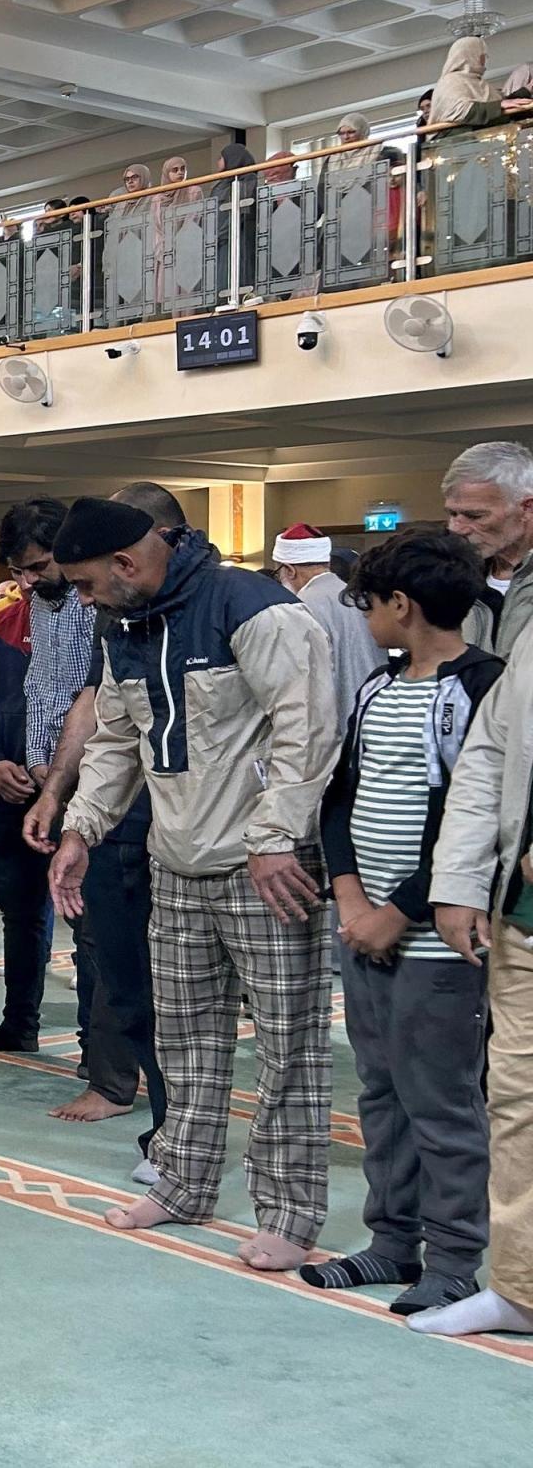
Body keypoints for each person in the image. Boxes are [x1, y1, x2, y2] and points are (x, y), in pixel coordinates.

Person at [48, 496, 338, 1271]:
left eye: (84, 583)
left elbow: (307, 728)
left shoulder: (258, 611)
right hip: (176, 866)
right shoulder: (124, 627)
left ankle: (289, 1209)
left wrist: (276, 837)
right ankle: (181, 1182)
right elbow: (115, 738)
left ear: (128, 563)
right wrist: (83, 827)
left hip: (265, 870)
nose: (80, 599)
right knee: (186, 1042)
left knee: (289, 1048)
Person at [305, 530, 503, 1316]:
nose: (365, 620)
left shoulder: (484, 688)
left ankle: (454, 1258)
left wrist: (398, 910)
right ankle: (392, 1240)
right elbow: (339, 798)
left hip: (436, 940)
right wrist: (351, 899)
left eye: (368, 605)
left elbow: (473, 818)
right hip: (364, 928)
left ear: (401, 606)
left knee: (441, 1097)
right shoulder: (377, 689)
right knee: (380, 1091)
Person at [24, 482, 177, 1151]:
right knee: (105, 947)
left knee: (183, 973)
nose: (84, 596)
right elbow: (97, 707)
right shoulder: (116, 613)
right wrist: (58, 795)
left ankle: (179, 1123)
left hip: (202, 828)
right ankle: (116, 1081)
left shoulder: (231, 608)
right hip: (118, 810)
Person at [413, 575, 533, 1339]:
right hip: (522, 920)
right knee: (516, 1100)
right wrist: (458, 882)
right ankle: (520, 1288)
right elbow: (490, 756)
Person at [0, 499, 70, 1055]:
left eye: (39, 568)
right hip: (11, 786)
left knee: (91, 920)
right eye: (17, 572)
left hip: (76, 790)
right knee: (21, 910)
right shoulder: (5, 618)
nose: (27, 583)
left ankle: (97, 1045)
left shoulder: (87, 616)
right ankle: (18, 1021)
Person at [273, 521, 385, 715]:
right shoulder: (358, 598)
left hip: (335, 725)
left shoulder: (300, 607)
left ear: (290, 570)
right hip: (374, 716)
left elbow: (303, 684)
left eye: (279, 572)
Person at [444, 440, 533, 660]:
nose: (456, 528)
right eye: (453, 514)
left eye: (475, 516)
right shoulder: (450, 578)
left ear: (527, 507)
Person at [428, 35, 500, 128]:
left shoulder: (477, 81)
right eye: (482, 55)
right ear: (471, 55)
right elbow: (460, 111)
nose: (485, 60)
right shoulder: (450, 81)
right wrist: (498, 106)